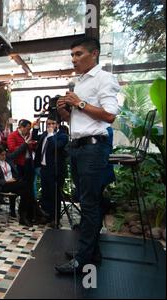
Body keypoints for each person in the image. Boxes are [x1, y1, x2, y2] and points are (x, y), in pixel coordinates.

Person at [55, 37, 121, 274]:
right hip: (79, 146)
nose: (74, 59)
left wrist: (79, 103)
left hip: (94, 148)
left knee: (90, 204)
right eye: (72, 54)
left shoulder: (104, 78)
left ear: (94, 54)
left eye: (79, 54)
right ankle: (91, 252)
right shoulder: (80, 82)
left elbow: (110, 115)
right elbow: (76, 120)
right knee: (85, 202)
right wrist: (65, 110)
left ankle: (83, 260)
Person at [0, 145, 38, 227]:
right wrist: (6, 181)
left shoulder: (7, 159)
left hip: (13, 182)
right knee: (26, 186)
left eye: (5, 154)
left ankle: (25, 216)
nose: (4, 156)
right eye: (2, 155)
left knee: (26, 191)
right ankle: (33, 213)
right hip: (3, 185)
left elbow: (16, 153)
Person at [34, 114, 69, 228]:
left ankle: (55, 219)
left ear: (58, 125)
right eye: (48, 124)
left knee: (54, 196)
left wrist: (50, 134)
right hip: (44, 169)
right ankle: (46, 216)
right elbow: (36, 139)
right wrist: (36, 128)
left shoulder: (62, 136)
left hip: (55, 170)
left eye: (53, 124)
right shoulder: (44, 134)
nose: (50, 126)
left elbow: (56, 146)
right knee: (45, 194)